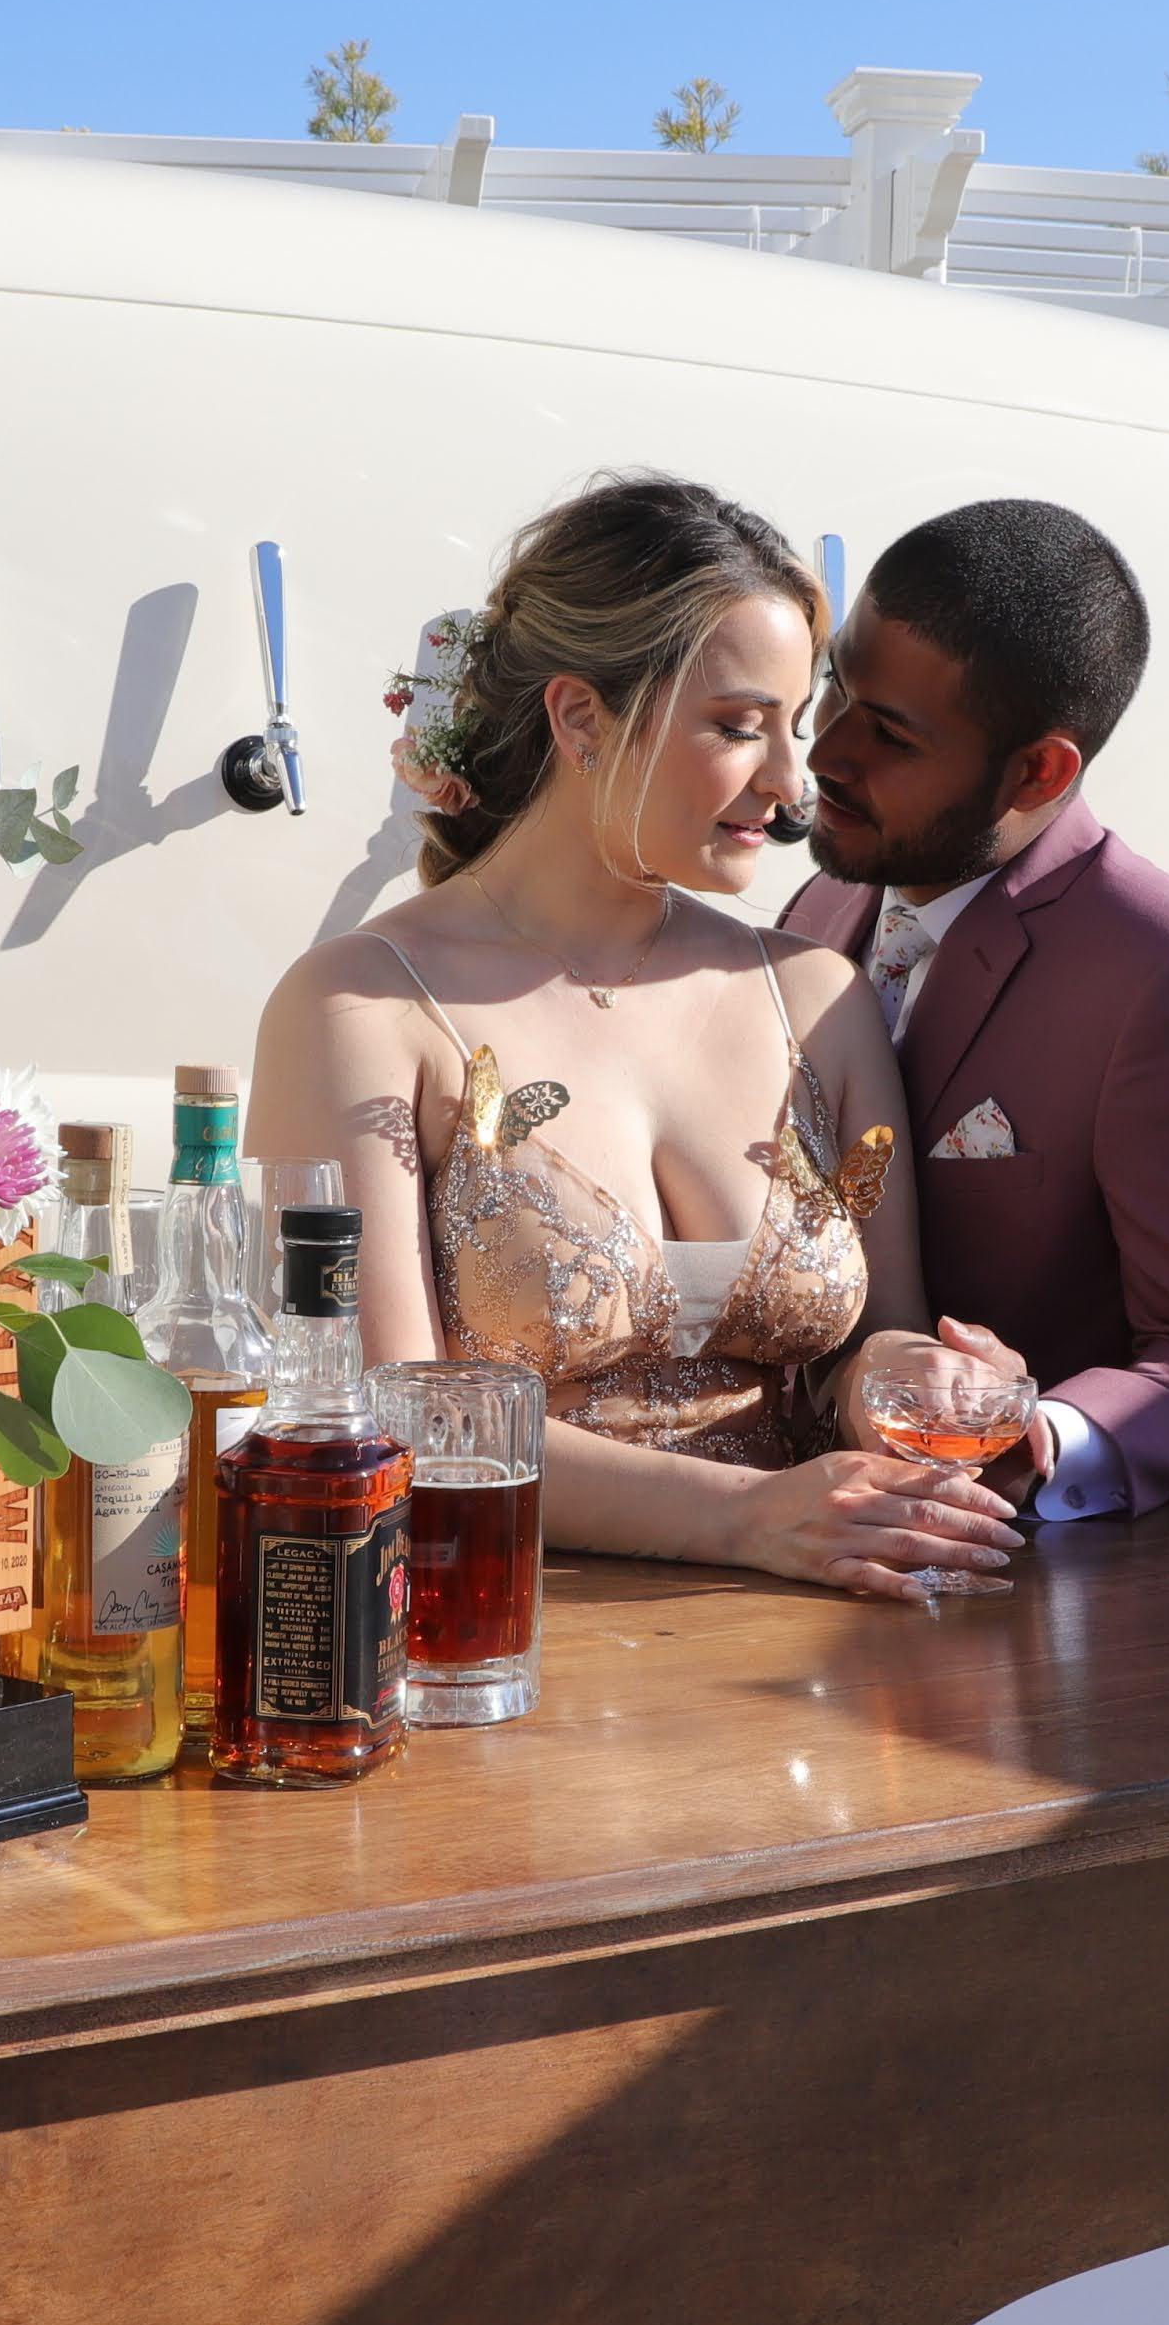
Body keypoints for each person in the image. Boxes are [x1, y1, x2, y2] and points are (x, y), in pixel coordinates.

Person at [247, 475, 1030, 1600]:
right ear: (579, 717)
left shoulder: (815, 996)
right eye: (737, 727)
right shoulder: (360, 1009)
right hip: (504, 1634)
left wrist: (919, 1377)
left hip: (822, 1632)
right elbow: (390, 1416)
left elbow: (864, 1352)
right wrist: (744, 1517)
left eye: (794, 727)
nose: (790, 783)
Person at [779, 499, 1169, 1515]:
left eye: (890, 732)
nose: (826, 752)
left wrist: (1034, 1435)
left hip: (1009, 1580)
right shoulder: (823, 904)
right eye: (836, 684)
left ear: (1040, 770)